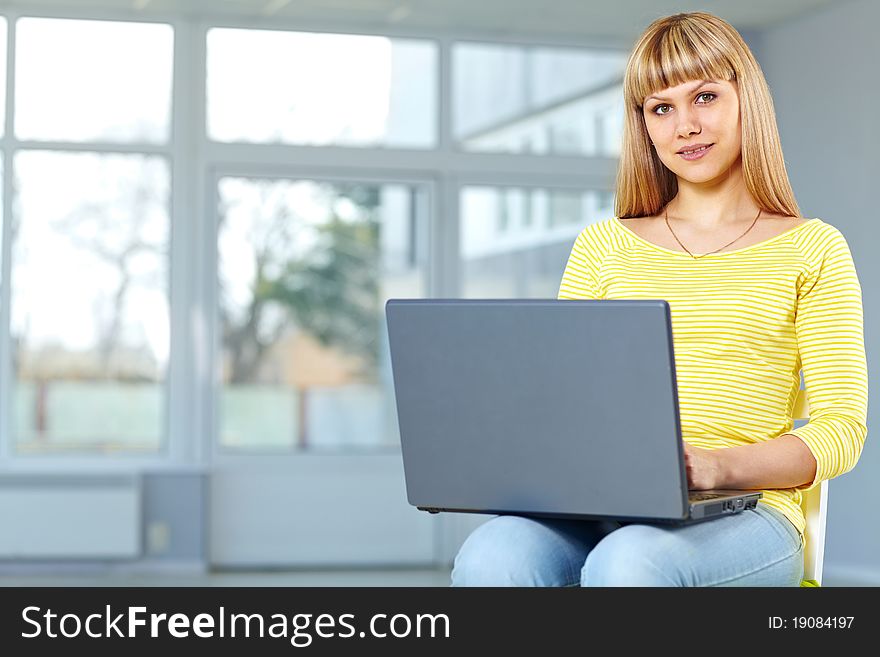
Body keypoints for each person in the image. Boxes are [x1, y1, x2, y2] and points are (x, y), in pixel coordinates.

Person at [451, 11, 868, 587]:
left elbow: (840, 429)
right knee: (493, 553)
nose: (686, 126)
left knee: (631, 561)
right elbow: (561, 405)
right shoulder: (603, 247)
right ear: (643, 125)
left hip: (748, 511)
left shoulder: (813, 248)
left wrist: (718, 466)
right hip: (602, 508)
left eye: (705, 96)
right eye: (661, 108)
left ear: (748, 101)